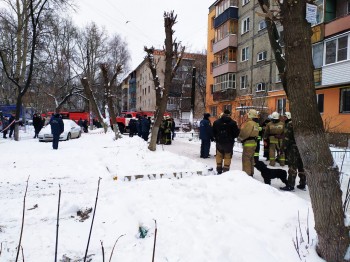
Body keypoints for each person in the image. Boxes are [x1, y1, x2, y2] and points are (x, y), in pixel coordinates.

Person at [280, 112, 306, 191]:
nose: (283, 118)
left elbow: (286, 138)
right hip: (302, 148)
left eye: (285, 117)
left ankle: (290, 185)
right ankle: (302, 183)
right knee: (301, 166)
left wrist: (282, 149)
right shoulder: (302, 124)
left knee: (292, 166)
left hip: (293, 149)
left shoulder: (290, 124)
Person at [212, 109, 240, 174]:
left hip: (219, 142)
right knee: (227, 156)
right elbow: (236, 133)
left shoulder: (216, 122)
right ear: (229, 114)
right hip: (229, 143)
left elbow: (213, 132)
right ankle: (226, 171)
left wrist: (216, 138)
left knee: (219, 155)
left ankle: (219, 169)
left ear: (223, 114)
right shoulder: (233, 123)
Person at [238, 109, 260, 176]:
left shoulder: (249, 123)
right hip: (254, 143)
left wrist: (240, 138)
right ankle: (251, 172)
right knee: (251, 159)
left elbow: (245, 133)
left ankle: (247, 174)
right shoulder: (256, 124)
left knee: (246, 159)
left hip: (248, 143)